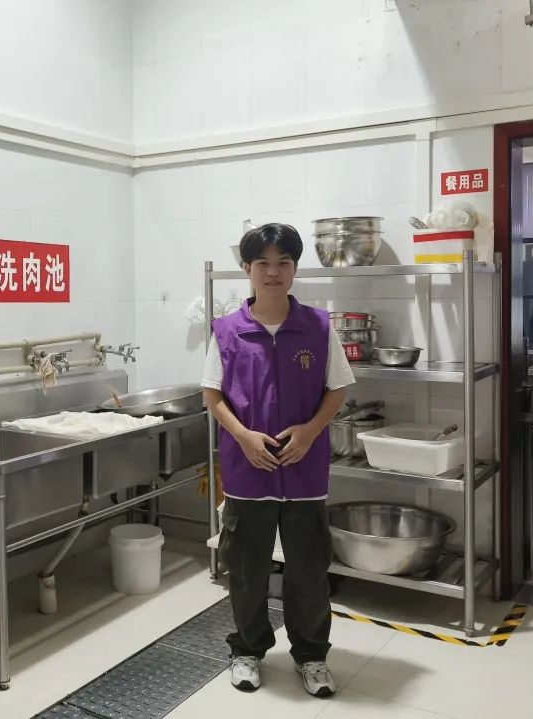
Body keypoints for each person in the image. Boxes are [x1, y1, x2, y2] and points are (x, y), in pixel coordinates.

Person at [201, 222, 355, 698]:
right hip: (249, 471)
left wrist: (310, 431)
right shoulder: (228, 331)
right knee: (247, 570)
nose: (273, 272)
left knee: (308, 571)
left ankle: (311, 657)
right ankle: (247, 650)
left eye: (283, 262)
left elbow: (338, 389)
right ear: (247, 269)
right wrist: (244, 437)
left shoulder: (318, 326)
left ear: (294, 269)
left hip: (304, 471)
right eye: (263, 263)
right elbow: (212, 395)